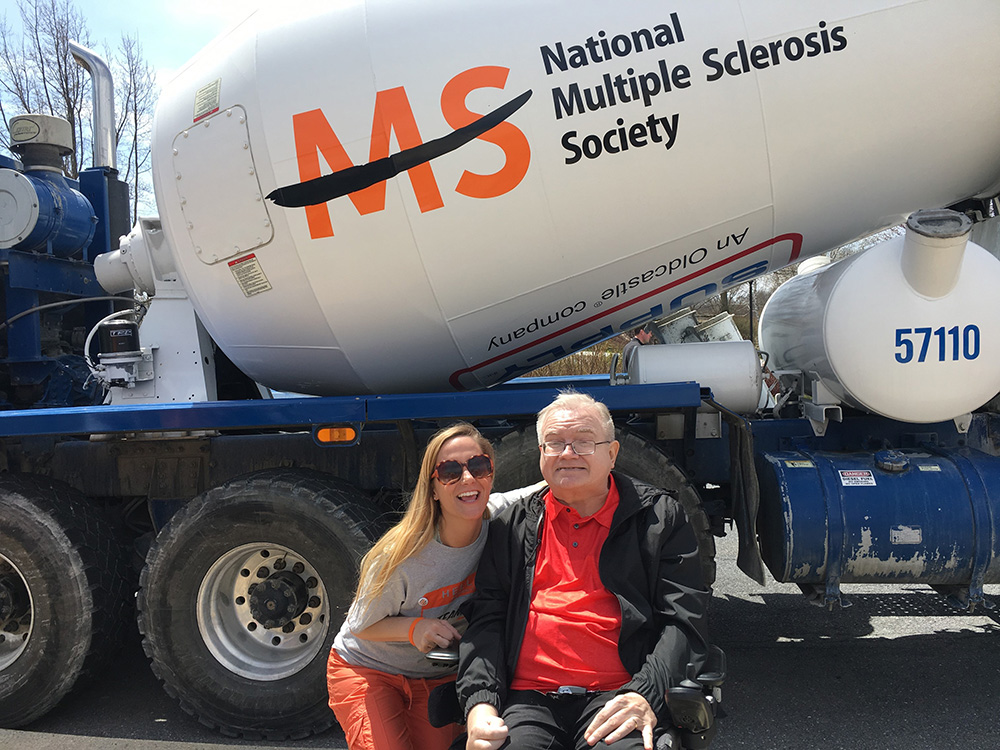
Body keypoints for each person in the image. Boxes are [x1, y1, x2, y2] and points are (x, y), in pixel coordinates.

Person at [456, 391, 710, 750]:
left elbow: (683, 620)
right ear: (541, 453)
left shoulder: (657, 519)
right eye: (554, 443)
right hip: (527, 699)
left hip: (619, 695)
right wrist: (480, 702)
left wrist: (645, 694)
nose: (567, 453)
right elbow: (488, 620)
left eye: (583, 442)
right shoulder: (512, 526)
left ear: (612, 453)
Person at [328, 423, 496, 750]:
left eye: (478, 466)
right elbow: (362, 625)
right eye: (450, 472)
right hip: (368, 668)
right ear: (432, 489)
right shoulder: (401, 555)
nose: (467, 479)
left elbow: (553, 485)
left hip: (435, 674)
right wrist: (414, 628)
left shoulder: (501, 519)